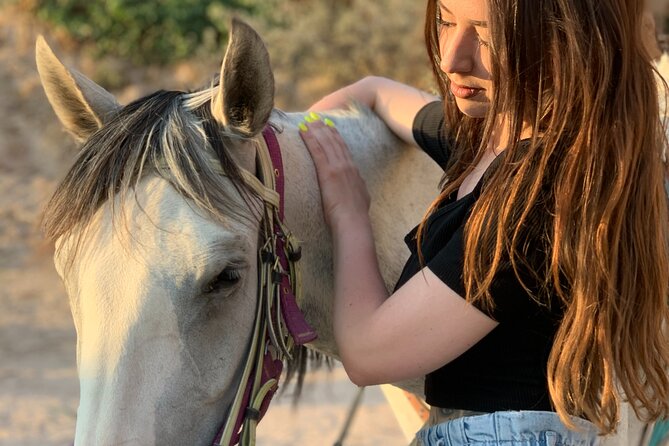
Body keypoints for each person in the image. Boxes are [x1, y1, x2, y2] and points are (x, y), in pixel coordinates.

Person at [299, 0, 669, 445]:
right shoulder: (491, 139)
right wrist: (304, 136)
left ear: (562, 39)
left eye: (489, 37)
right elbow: (374, 92)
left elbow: (367, 354)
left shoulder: (538, 194)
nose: (453, 57)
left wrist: (349, 214)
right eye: (445, 21)